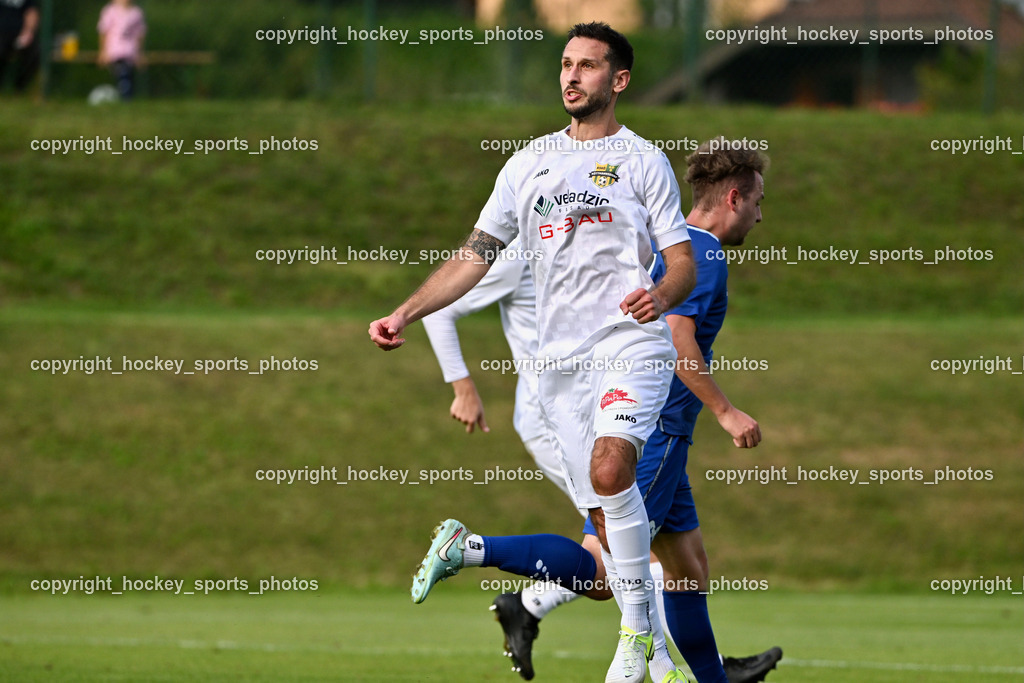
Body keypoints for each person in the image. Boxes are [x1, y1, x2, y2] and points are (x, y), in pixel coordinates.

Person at [370, 21, 696, 682]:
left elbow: (683, 263)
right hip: (557, 373)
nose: (572, 76)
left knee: (612, 472)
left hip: (631, 344)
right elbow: (474, 255)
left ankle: (641, 637)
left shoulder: (644, 161)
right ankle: (650, 649)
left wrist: (659, 296)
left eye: (589, 66)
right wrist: (406, 309)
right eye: (566, 64)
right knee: (604, 520)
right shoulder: (527, 163)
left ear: (619, 80)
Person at [423, 138, 782, 683]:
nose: (761, 214)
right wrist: (727, 411)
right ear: (734, 197)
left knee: (687, 571)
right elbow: (678, 338)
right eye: (758, 200)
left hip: (654, 428)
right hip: (654, 430)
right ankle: (471, 548)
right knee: (601, 573)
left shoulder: (668, 249)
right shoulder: (702, 256)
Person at [97, 0, 146, 100]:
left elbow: (140, 34)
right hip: (115, 52)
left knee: (128, 76)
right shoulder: (110, 11)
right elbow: (103, 32)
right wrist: (103, 51)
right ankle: (125, 98)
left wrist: (139, 53)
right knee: (123, 74)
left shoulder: (136, 13)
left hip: (130, 52)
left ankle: (126, 98)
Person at [0, 0, 39, 94]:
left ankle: (19, 88)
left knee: (35, 53)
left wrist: (28, 31)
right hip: (1, 33)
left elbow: (31, 12)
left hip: (19, 34)